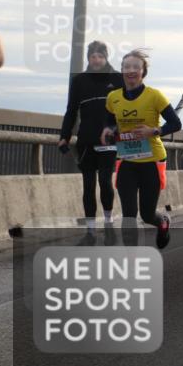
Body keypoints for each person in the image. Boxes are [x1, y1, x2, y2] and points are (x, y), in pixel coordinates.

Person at [100, 50, 182, 248]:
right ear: (122, 70)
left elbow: (175, 123)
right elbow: (110, 121)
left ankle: (162, 222)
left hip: (152, 161)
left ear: (143, 72)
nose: (131, 70)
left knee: (147, 214)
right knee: (129, 215)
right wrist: (108, 130)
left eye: (136, 67)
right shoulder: (113, 97)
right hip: (127, 161)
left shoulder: (154, 96)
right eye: (127, 67)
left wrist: (153, 131)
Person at [59, 40, 121, 239]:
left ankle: (109, 222)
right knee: (88, 186)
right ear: (88, 59)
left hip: (108, 140)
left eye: (100, 56)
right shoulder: (79, 81)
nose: (96, 60)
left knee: (105, 181)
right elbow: (71, 110)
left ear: (106, 58)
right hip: (86, 140)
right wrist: (64, 136)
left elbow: (127, 107)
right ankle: (90, 230)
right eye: (93, 56)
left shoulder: (117, 78)